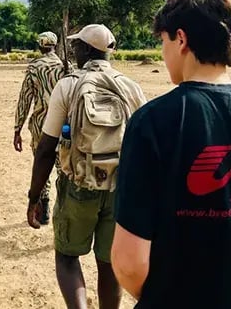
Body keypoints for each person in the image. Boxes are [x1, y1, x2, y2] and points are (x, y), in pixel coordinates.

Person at [112, 0, 231, 309]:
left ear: (181, 39)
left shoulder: (150, 124)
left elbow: (129, 262)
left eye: (163, 42)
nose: (162, 54)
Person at [27, 24, 146, 309]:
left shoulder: (68, 85)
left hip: (78, 184)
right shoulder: (130, 87)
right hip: (119, 188)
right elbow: (144, 145)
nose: (74, 49)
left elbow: (46, 149)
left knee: (67, 257)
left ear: (84, 50)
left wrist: (34, 197)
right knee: (108, 263)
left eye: (77, 45)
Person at [14, 31, 68, 224]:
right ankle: (63, 211)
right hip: (63, 126)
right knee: (63, 169)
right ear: (54, 45)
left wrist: (17, 128)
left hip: (40, 125)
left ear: (40, 46)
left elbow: (25, 99)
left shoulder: (34, 67)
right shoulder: (64, 66)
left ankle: (42, 210)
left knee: (41, 166)